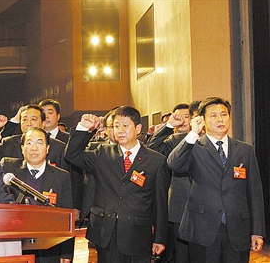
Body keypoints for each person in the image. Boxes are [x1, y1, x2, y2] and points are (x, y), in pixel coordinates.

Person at [64, 106, 169, 263]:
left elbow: (160, 202)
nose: (120, 130)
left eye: (125, 125)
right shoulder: (102, 152)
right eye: (116, 126)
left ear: (138, 128)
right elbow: (72, 155)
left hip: (138, 233)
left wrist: (160, 237)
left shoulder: (156, 160)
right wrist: (83, 128)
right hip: (106, 231)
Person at [167, 97, 265, 262]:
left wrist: (257, 230)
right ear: (202, 120)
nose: (220, 119)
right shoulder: (194, 147)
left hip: (237, 229)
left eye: (224, 114)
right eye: (213, 116)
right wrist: (193, 133)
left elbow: (254, 192)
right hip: (202, 229)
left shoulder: (245, 150)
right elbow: (174, 164)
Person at [0, 127, 73, 263]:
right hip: (17, 246)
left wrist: (67, 253)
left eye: (39, 143)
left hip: (50, 247)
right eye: (29, 143)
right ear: (22, 148)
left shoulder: (61, 176)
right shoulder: (9, 170)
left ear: (47, 148)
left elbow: (67, 216)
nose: (34, 148)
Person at [147, 103, 194, 263]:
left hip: (202, 206)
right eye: (178, 117)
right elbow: (152, 148)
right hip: (177, 206)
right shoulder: (169, 142)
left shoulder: (202, 140)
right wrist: (168, 126)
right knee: (178, 254)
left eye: (187, 117)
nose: (183, 120)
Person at [0, 104, 68, 173]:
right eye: (24, 119)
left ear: (43, 123)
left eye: (33, 119)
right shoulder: (8, 143)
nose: (28, 123)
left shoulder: (58, 147)